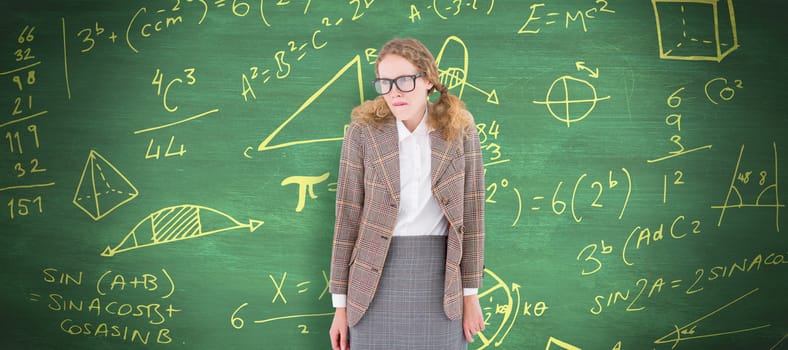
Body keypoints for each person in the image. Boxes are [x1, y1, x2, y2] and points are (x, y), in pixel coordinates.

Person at [328, 38, 486, 350]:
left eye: (404, 80)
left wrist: (471, 295)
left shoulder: (460, 129)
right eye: (385, 83)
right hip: (371, 283)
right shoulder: (363, 133)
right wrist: (340, 307)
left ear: (428, 80)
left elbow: (473, 215)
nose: (395, 92)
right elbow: (346, 219)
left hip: (442, 284)